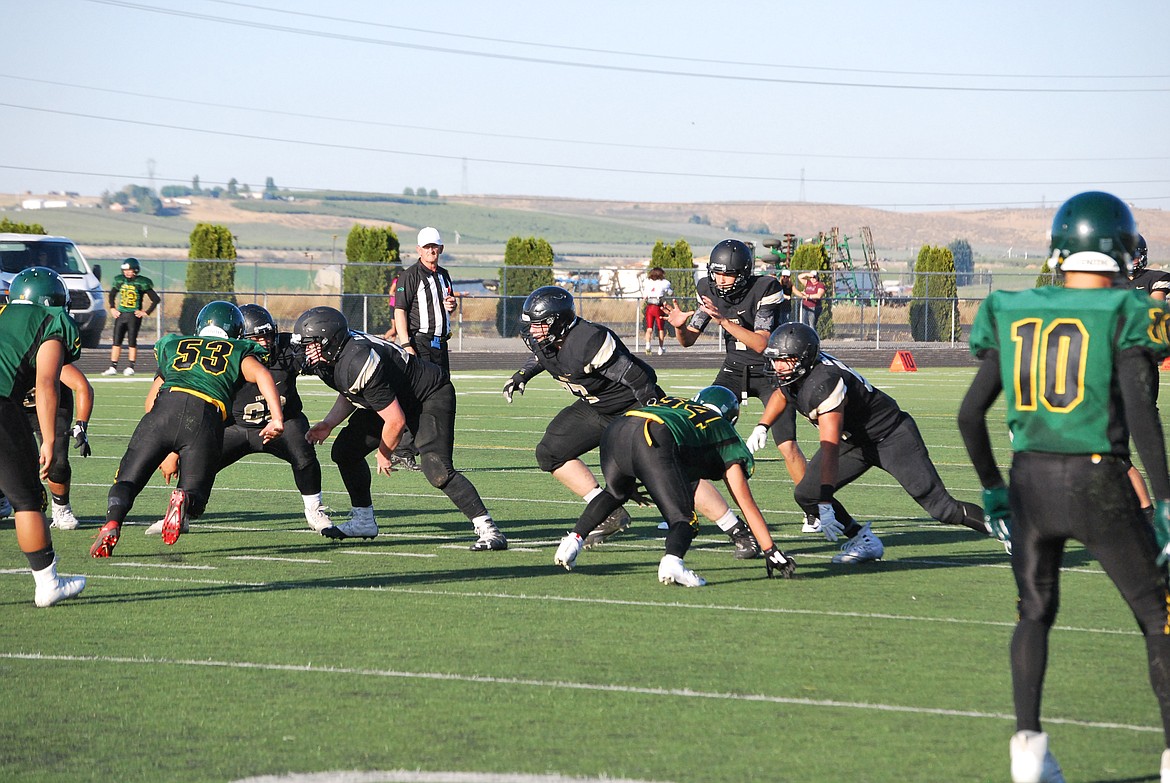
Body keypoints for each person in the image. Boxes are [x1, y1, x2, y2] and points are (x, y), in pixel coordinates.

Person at [957, 191, 1170, 783]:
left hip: (1029, 480)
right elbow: (1143, 415)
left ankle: (1027, 751)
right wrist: (1167, 498)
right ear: (1122, 249)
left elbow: (969, 416)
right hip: (1099, 476)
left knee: (1034, 612)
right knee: (1159, 615)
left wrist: (993, 488)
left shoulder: (1013, 306)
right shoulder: (1128, 310)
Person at [504, 286, 760, 557]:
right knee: (550, 453)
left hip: (636, 408)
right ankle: (609, 512)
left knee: (679, 474)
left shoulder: (588, 340)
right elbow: (543, 356)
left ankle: (739, 532)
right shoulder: (546, 339)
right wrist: (523, 374)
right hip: (597, 408)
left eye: (540, 325)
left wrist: (656, 417)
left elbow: (636, 377)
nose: (533, 331)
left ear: (559, 324)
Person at [749, 321, 991, 564]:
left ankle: (1010, 529)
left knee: (942, 509)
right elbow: (782, 394)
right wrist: (763, 425)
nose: (778, 366)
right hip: (855, 441)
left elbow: (829, 447)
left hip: (891, 436)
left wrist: (825, 500)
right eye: (775, 359)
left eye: (785, 359)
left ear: (805, 357)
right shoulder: (796, 371)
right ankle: (863, 541)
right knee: (806, 494)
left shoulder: (824, 382)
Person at [292, 306, 506, 551]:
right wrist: (329, 424)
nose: (307, 350)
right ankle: (363, 520)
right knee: (345, 451)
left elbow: (395, 421)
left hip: (427, 397)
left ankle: (488, 529)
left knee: (436, 468)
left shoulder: (356, 359)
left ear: (330, 340)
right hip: (394, 398)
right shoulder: (335, 357)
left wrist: (384, 452)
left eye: (312, 343)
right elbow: (350, 390)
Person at [90, 301, 284, 557]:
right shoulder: (237, 349)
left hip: (163, 410)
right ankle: (182, 500)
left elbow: (151, 401)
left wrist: (164, 444)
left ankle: (112, 522)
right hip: (205, 417)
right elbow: (262, 375)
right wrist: (277, 418)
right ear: (236, 329)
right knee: (194, 495)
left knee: (127, 480)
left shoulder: (174, 345)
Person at [553, 386, 796, 586]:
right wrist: (770, 549)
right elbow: (746, 503)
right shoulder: (721, 429)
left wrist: (636, 472)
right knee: (684, 520)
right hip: (653, 437)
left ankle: (572, 541)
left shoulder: (678, 404)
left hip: (617, 429)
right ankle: (673, 563)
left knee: (616, 492)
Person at [662, 238, 819, 534]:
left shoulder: (766, 288)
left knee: (786, 445)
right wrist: (680, 325)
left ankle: (815, 510)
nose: (720, 280)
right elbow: (688, 340)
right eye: (717, 273)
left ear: (744, 273)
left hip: (771, 372)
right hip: (733, 370)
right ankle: (684, 510)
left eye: (728, 274)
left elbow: (761, 343)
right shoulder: (708, 289)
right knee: (693, 434)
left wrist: (723, 321)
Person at [149, 304, 333, 534]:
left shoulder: (287, 349)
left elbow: (324, 358)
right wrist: (173, 451)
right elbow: (180, 401)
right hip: (234, 426)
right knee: (198, 459)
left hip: (282, 423)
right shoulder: (222, 357)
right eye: (256, 338)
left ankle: (315, 511)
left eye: (268, 336)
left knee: (303, 453)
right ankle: (182, 513)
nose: (265, 343)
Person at [0, 266, 87, 606]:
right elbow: (47, 382)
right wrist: (49, 439)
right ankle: (47, 582)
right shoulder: (52, 320)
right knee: (26, 501)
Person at [390, 227, 458, 471]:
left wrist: (452, 305)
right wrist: (406, 343)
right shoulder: (410, 275)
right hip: (420, 342)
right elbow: (400, 310)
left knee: (441, 399)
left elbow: (447, 306)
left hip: (440, 343)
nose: (432, 250)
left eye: (435, 246)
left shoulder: (444, 275)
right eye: (427, 246)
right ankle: (403, 450)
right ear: (419, 249)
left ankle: (434, 452)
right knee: (416, 397)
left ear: (441, 248)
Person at [3, 362, 95, 530]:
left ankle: (62, 507)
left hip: (54, 405)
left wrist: (81, 425)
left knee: (57, 462)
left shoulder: (42, 352)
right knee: (7, 455)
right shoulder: (6, 355)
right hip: (15, 407)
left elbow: (82, 386)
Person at [103, 257, 160, 376]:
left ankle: (130, 366)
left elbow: (155, 299)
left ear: (135, 270)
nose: (127, 272)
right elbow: (112, 294)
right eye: (125, 270)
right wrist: (112, 307)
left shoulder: (142, 282)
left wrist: (146, 312)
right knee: (116, 341)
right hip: (121, 314)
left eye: (129, 270)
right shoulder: (120, 281)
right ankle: (113, 366)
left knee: (131, 341)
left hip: (133, 316)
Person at [641, 266, 672, 356]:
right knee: (661, 328)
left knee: (649, 328)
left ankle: (648, 345)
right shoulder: (664, 283)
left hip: (650, 306)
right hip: (659, 307)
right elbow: (670, 292)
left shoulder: (647, 282)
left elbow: (644, 296)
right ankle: (660, 348)